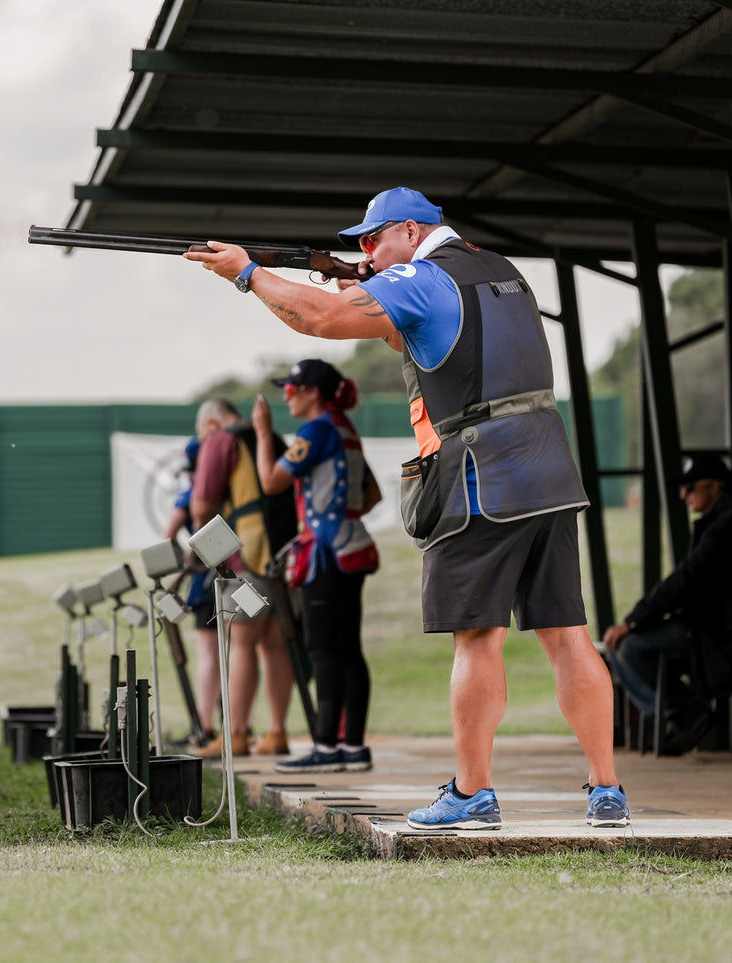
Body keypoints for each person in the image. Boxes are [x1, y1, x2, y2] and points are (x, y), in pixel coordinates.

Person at [184, 186, 627, 830]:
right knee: (567, 635)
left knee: (477, 637)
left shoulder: (423, 277)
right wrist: (352, 277)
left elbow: (319, 321)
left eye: (371, 239)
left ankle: (474, 794)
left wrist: (249, 274)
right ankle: (606, 788)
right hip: (549, 471)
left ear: (411, 232)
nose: (363, 251)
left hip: (481, 480)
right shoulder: (501, 272)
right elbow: (429, 343)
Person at [246, 359, 382, 773]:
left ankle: (325, 748)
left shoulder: (318, 429)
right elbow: (372, 493)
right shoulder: (344, 428)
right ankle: (352, 746)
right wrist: (341, 511)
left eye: (290, 390)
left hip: (325, 553)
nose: (285, 397)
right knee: (347, 651)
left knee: (323, 650)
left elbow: (271, 481)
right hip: (350, 545)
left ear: (311, 393)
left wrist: (263, 434)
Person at [602, 454, 732, 756]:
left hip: (720, 638)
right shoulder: (719, 524)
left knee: (629, 647)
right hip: (709, 629)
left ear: (715, 487)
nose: (683, 495)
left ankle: (683, 712)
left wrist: (633, 622)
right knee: (621, 647)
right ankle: (679, 712)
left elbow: (685, 579)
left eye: (690, 487)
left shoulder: (726, 528)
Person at [189, 398, 297, 758]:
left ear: (212, 424)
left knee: (242, 642)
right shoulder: (273, 438)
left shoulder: (221, 441)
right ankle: (277, 732)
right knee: (275, 644)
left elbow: (202, 504)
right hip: (284, 554)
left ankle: (235, 733)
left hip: (245, 555)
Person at [161, 432, 221, 746]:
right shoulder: (229, 485)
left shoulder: (192, 493)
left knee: (209, 654)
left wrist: (185, 560)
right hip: (231, 571)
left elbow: (168, 531)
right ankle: (231, 725)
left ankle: (204, 725)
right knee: (231, 651)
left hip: (204, 578)